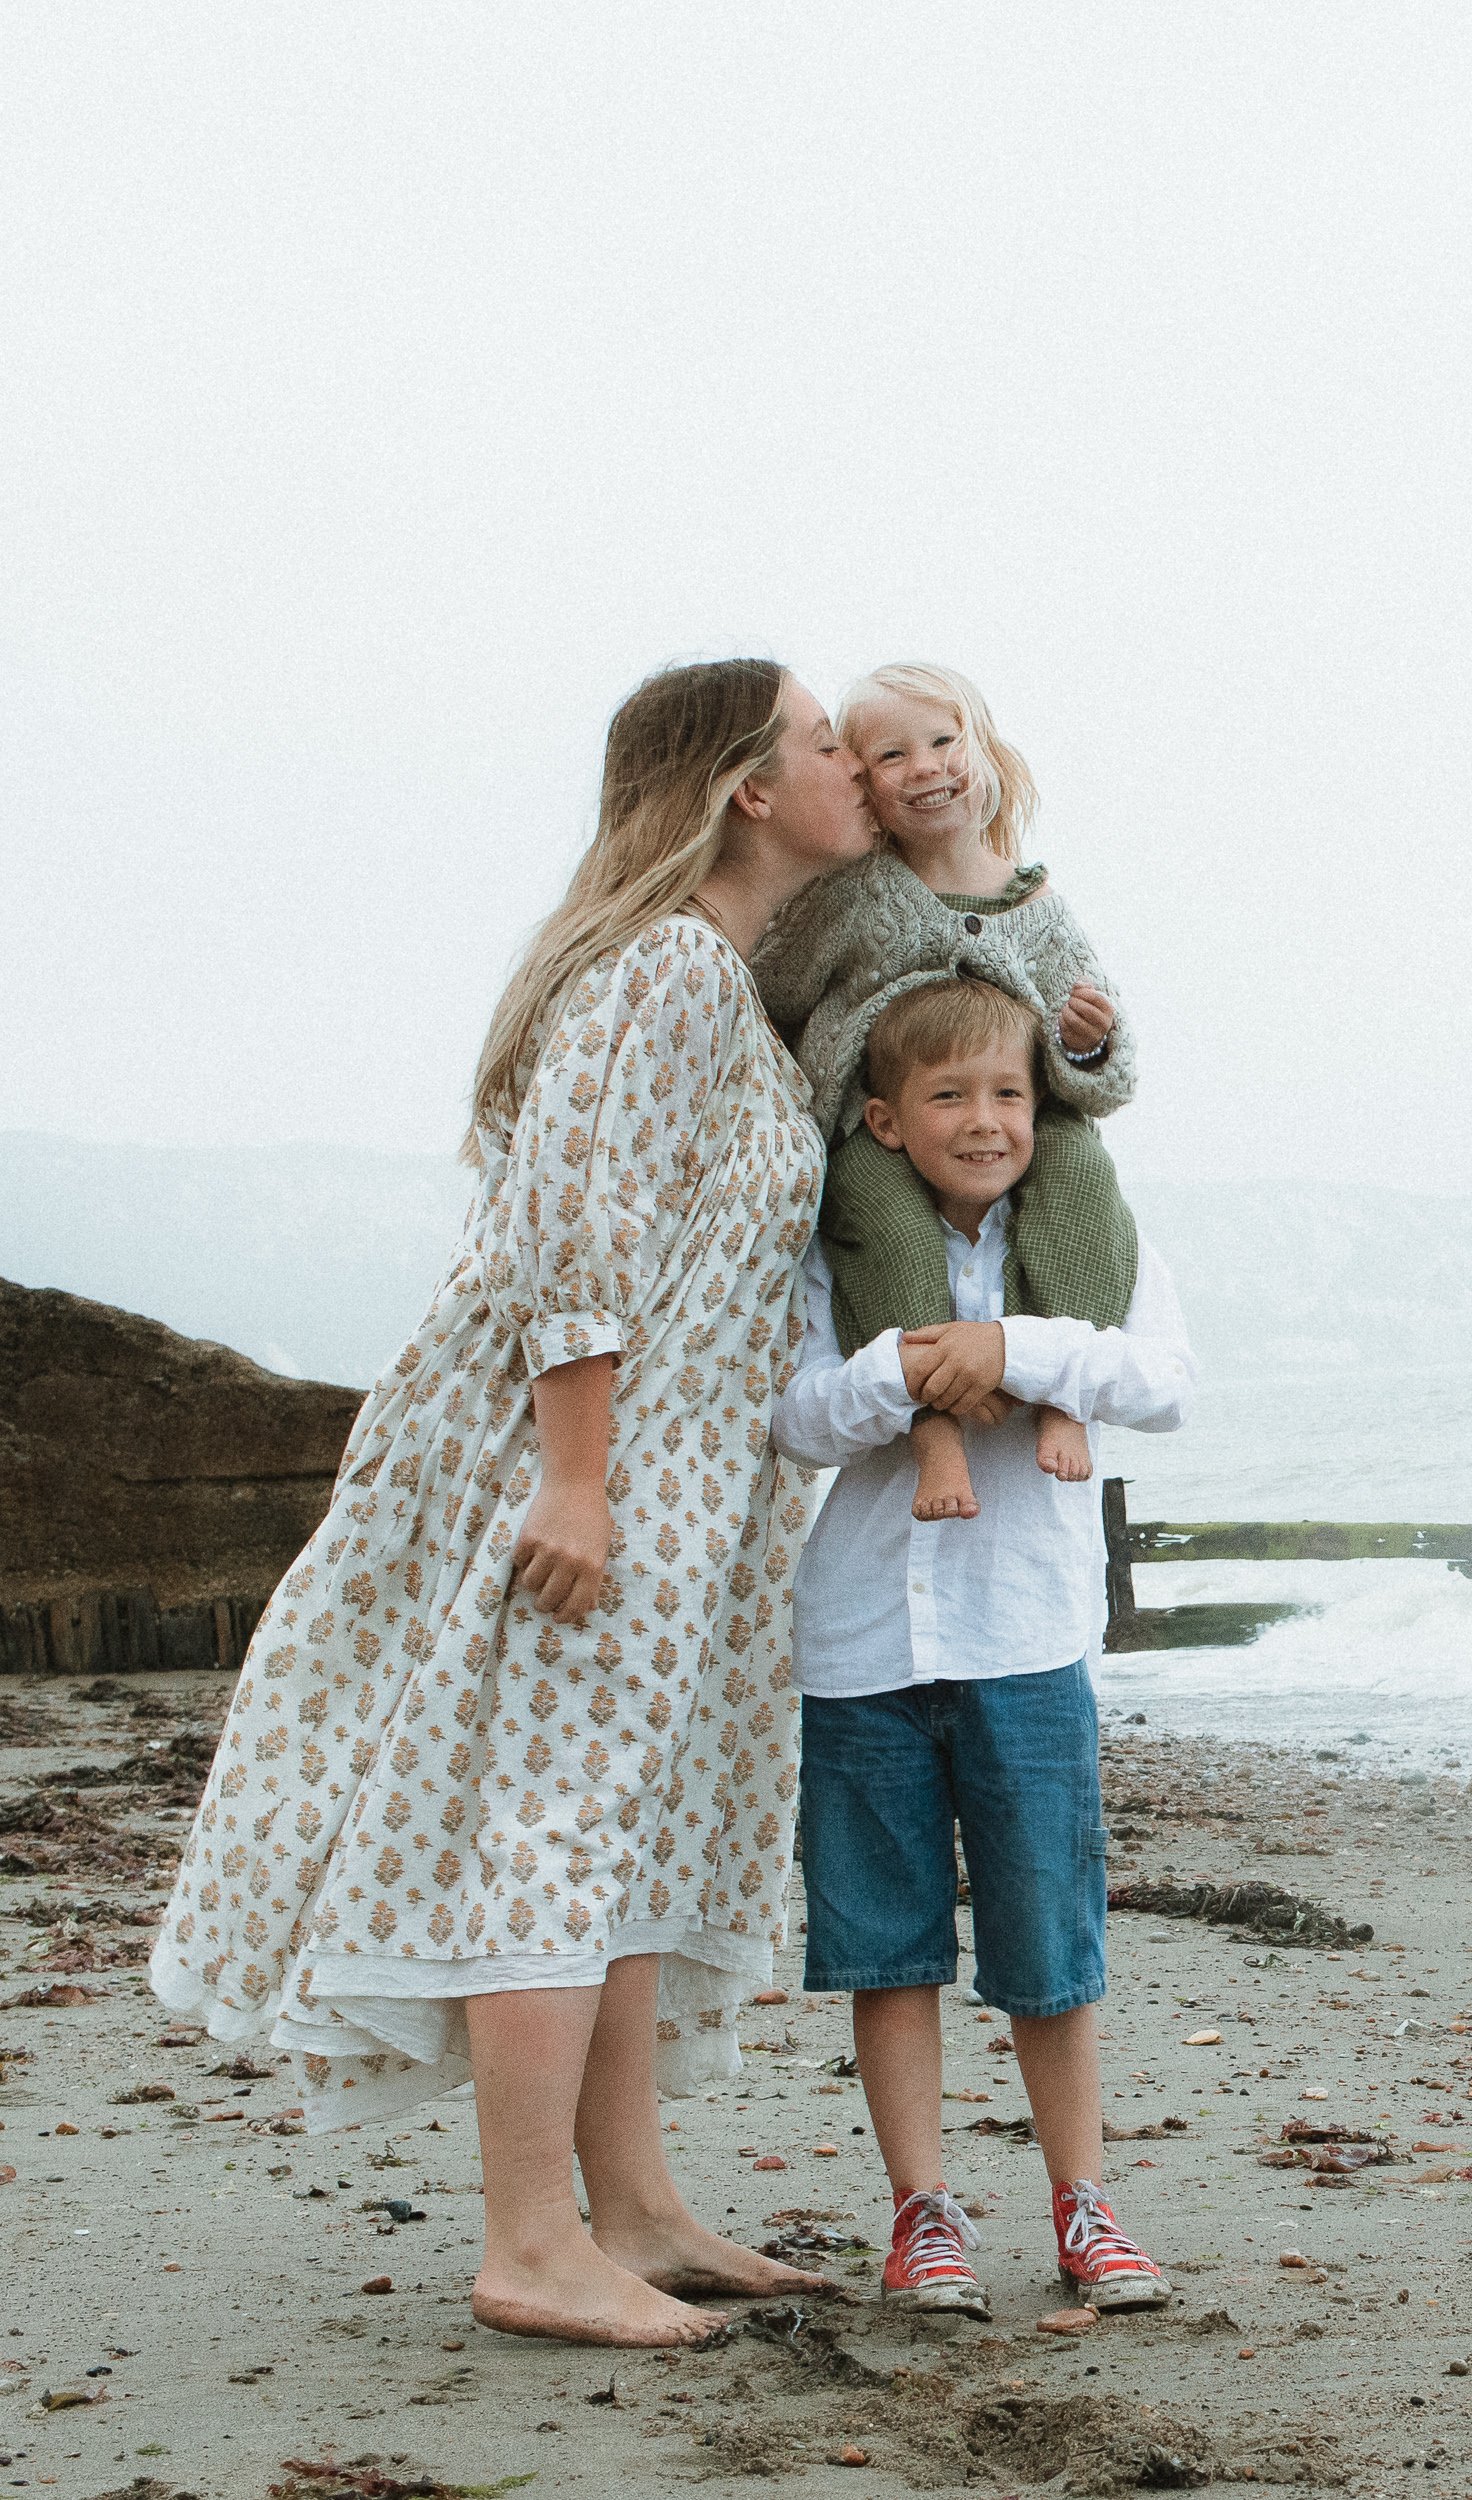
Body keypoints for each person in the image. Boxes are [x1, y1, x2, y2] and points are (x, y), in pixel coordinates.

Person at [149, 659, 875, 2349]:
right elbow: (575, 1229)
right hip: (589, 1466)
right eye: (829, 740)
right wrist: (573, 1476)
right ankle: (530, 2241)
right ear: (751, 786)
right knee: (547, 1821)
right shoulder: (663, 971)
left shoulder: (728, 981)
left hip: (680, 1477)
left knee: (611, 1822)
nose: (857, 763)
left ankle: (630, 2206)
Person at [771, 976, 1193, 2318]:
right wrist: (913, 1369)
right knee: (886, 1945)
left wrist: (1017, 1347)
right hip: (862, 1641)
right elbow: (792, 1414)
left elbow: (1164, 1379)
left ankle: (1084, 2202)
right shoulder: (839, 1246)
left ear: (1041, 1107)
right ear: (889, 1122)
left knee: (1048, 1941)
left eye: (1008, 1092)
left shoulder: (1089, 1238)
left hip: (1025, 1632)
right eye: (949, 1096)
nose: (984, 1119)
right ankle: (922, 2212)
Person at [753, 661, 1140, 1524]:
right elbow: (771, 985)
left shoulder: (1036, 902)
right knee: (874, 1210)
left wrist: (1088, 1038)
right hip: (883, 1122)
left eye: (941, 741)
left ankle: (1064, 1394)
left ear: (982, 749)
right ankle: (933, 1434)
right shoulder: (854, 898)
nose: (924, 766)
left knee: (1080, 1170)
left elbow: (1110, 1063)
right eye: (891, 756)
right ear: (864, 787)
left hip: (1018, 1113)